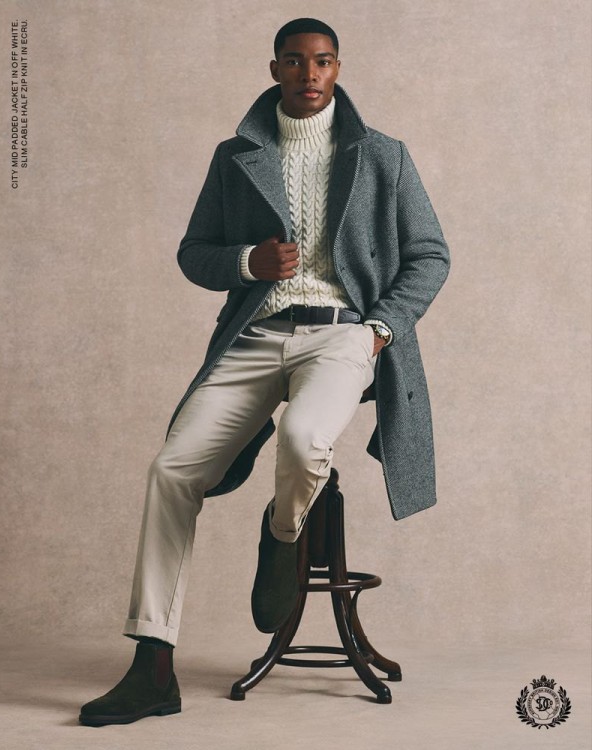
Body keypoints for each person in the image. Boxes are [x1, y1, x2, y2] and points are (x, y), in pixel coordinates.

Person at [79, 17, 450, 726]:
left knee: (305, 440)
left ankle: (283, 534)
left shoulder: (383, 155)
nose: (310, 74)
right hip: (254, 335)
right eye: (295, 61)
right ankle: (152, 667)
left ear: (337, 68)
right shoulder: (237, 156)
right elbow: (195, 253)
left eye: (323, 61)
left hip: (342, 335)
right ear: (275, 68)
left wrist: (379, 329)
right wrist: (248, 261)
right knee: (172, 470)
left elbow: (430, 254)